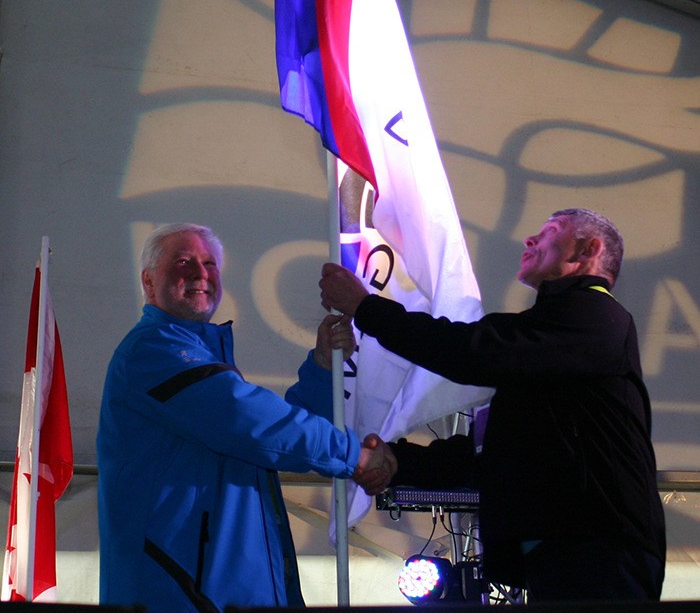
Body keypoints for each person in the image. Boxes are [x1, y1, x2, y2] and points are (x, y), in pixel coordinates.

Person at [319, 208, 666, 603]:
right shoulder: (552, 344)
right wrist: (400, 462)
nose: (529, 240)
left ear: (589, 249)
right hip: (569, 552)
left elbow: (474, 351)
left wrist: (368, 309)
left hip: (599, 551)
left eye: (550, 232)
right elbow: (494, 454)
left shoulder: (595, 315)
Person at [97, 222, 382, 612]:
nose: (200, 273)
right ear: (148, 282)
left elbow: (268, 436)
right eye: (183, 262)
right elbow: (249, 422)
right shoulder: (153, 350)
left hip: (228, 594)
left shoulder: (203, 355)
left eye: (209, 263)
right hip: (180, 596)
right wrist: (356, 455)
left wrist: (320, 369)